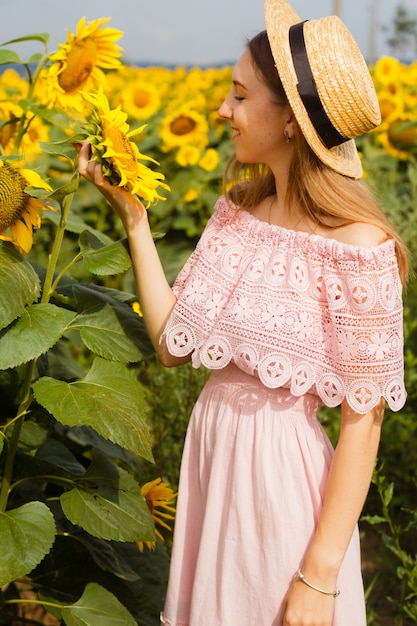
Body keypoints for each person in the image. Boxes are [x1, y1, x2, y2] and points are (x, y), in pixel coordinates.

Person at [77, 0, 408, 623]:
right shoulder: (237, 215)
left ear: (290, 120)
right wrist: (135, 219)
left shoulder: (359, 249)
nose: (222, 110)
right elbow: (174, 344)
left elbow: (363, 424)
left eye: (239, 95)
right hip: (213, 472)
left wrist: (320, 573)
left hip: (279, 490)